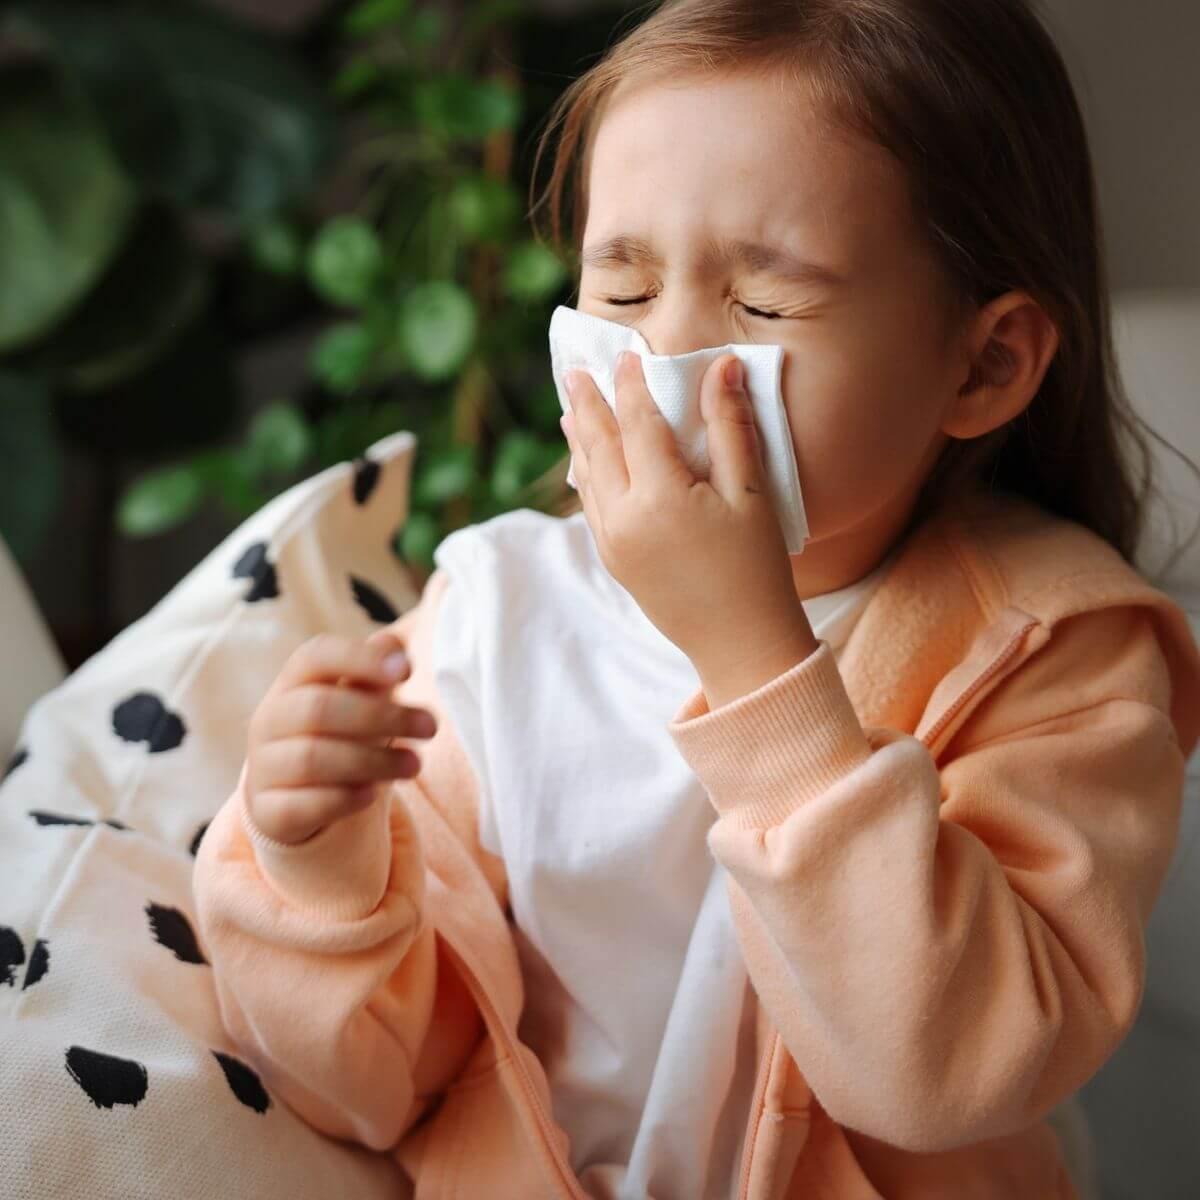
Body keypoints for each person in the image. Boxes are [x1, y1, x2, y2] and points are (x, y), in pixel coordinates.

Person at [192, 1, 1200, 1196]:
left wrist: (753, 656)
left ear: (981, 365)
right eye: (621, 290)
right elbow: (371, 1088)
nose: (664, 357)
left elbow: (946, 1076)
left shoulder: (1061, 652)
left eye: (763, 306)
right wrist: (316, 870)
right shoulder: (495, 617)